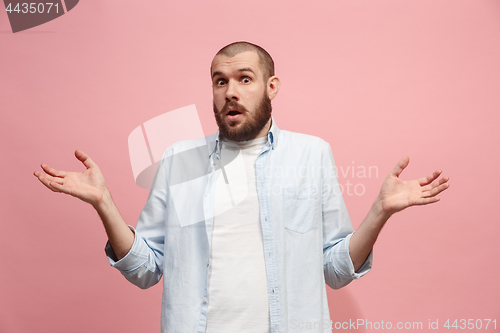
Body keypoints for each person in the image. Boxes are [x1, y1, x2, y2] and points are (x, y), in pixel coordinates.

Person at [33, 41, 449, 333]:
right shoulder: (180, 159)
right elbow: (146, 269)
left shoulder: (311, 154)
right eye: (220, 81)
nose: (231, 92)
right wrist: (104, 203)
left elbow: (334, 271)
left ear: (272, 87)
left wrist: (380, 212)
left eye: (245, 79)